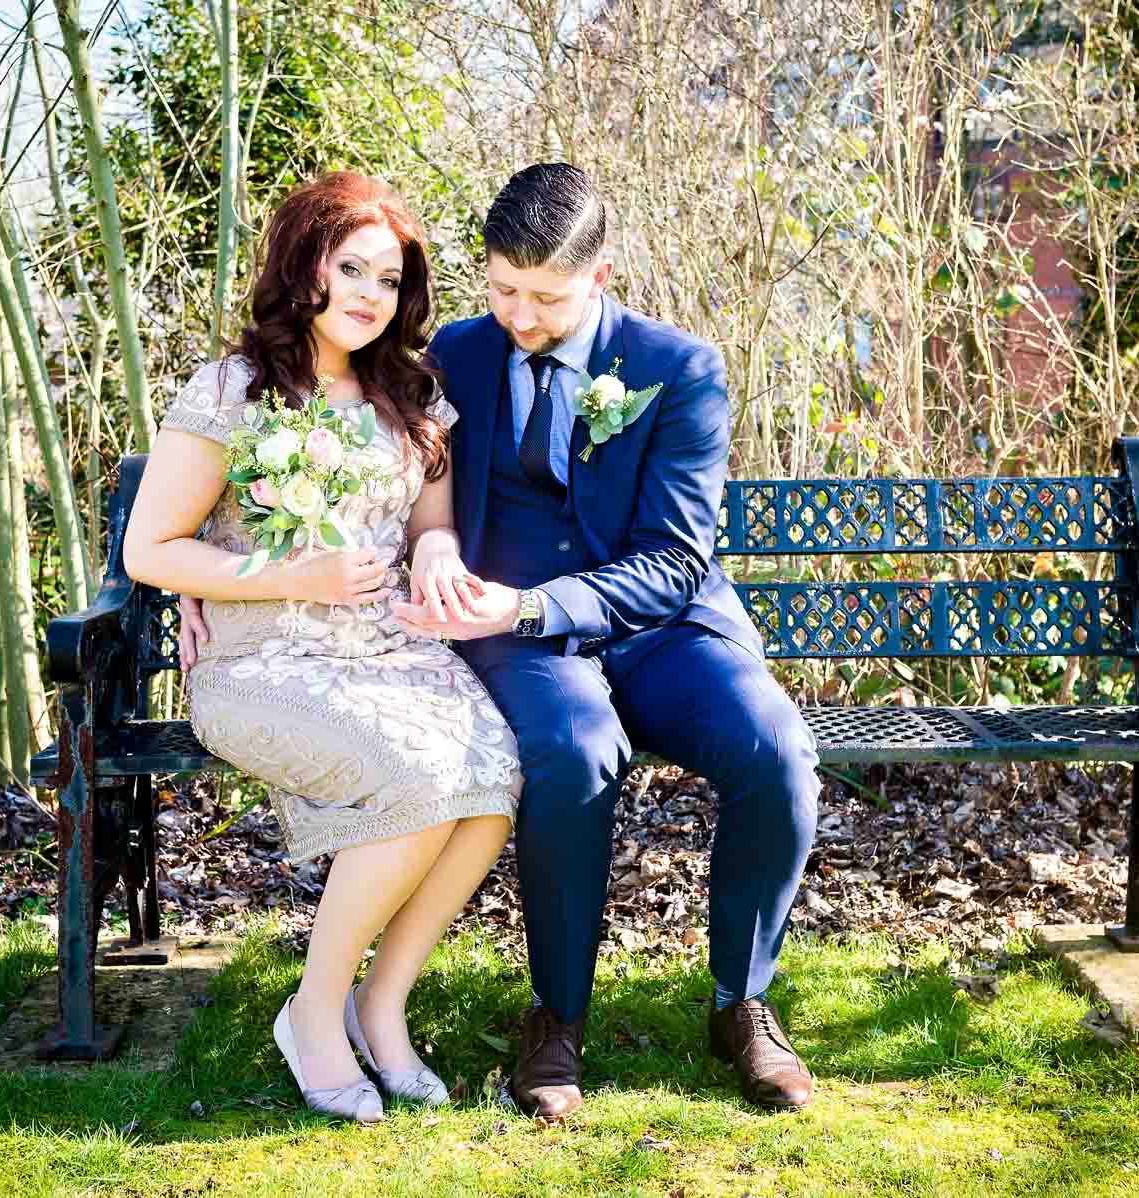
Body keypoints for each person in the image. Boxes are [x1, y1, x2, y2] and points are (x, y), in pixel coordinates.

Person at [389, 163, 823, 1117]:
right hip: (518, 636)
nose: (520, 315)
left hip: (662, 625)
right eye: (502, 289)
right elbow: (371, 449)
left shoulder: (678, 369)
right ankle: (557, 1016)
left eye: (546, 298)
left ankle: (741, 1004)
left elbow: (673, 560)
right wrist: (432, 544)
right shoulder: (451, 356)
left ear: (602, 275)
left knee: (779, 753)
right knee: (574, 751)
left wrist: (532, 605)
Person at [127, 172, 521, 1124]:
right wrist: (282, 578)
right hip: (262, 659)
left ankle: (379, 1007)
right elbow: (150, 550)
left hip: (389, 646)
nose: (369, 296)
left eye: (388, 280)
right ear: (304, 264)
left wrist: (434, 553)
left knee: (495, 779)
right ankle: (310, 1014)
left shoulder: (411, 394)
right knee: (422, 781)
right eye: (351, 269)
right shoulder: (233, 391)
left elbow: (432, 523)